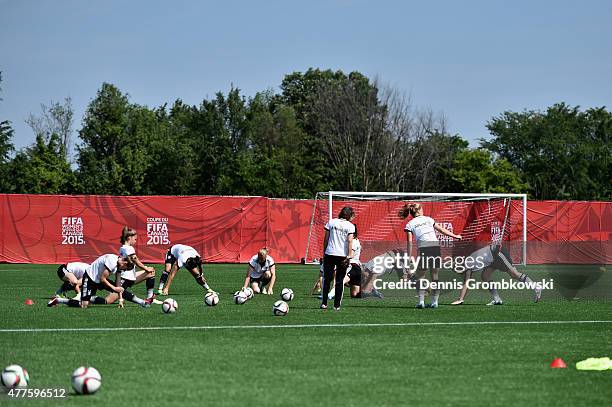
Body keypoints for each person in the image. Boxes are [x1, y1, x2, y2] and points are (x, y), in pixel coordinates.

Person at [399, 203, 462, 309]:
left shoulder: (410, 224)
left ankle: (421, 302)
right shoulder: (428, 219)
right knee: (435, 276)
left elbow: (409, 242)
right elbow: (442, 230)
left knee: (420, 277)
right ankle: (435, 302)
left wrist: (409, 257)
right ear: (418, 211)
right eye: (422, 209)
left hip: (424, 248)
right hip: (435, 247)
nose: (423, 210)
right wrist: (455, 236)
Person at [451, 244, 542, 305]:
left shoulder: (468, 264)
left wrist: (460, 299)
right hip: (492, 258)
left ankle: (536, 287)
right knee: (485, 276)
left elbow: (466, 282)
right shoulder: (468, 262)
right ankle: (497, 299)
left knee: (514, 274)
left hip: (497, 253)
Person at [47, 254, 134, 309]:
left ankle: (58, 299)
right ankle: (59, 292)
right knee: (75, 282)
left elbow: (114, 284)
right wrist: (79, 295)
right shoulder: (93, 271)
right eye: (124, 269)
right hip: (64, 268)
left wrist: (121, 300)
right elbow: (78, 284)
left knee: (84, 304)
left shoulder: (98, 271)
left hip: (85, 279)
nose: (123, 270)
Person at [102, 227, 156, 306]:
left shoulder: (122, 248)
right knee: (108, 300)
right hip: (125, 279)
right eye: (135, 239)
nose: (135, 241)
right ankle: (88, 298)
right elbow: (136, 262)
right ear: (129, 238)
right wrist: (145, 268)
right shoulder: (129, 248)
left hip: (131, 277)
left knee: (151, 272)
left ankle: (149, 298)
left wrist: (146, 269)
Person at [321, 206, 356, 310]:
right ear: (349, 215)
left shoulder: (331, 222)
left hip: (330, 253)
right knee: (340, 280)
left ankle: (324, 303)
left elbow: (326, 238)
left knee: (327, 279)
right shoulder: (350, 226)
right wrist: (349, 255)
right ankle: (336, 305)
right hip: (342, 256)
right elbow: (350, 240)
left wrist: (324, 252)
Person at [344, 230, 363, 298]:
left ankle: (330, 295)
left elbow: (350, 255)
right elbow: (361, 249)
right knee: (354, 295)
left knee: (341, 280)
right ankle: (368, 291)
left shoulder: (353, 242)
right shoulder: (356, 241)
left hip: (352, 266)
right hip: (355, 266)